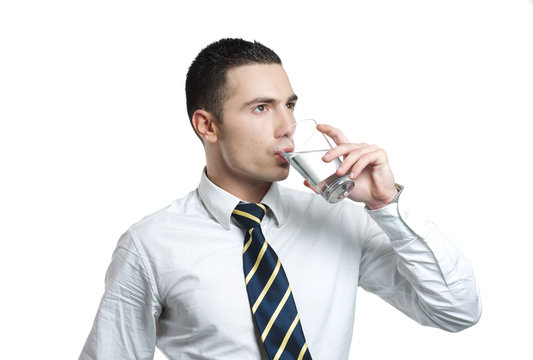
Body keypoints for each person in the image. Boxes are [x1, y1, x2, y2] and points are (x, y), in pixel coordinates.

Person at [79, 38, 481, 360]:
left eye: (289, 105)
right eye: (261, 108)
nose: (287, 126)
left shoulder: (338, 219)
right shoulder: (150, 246)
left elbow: (456, 311)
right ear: (207, 126)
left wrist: (386, 205)